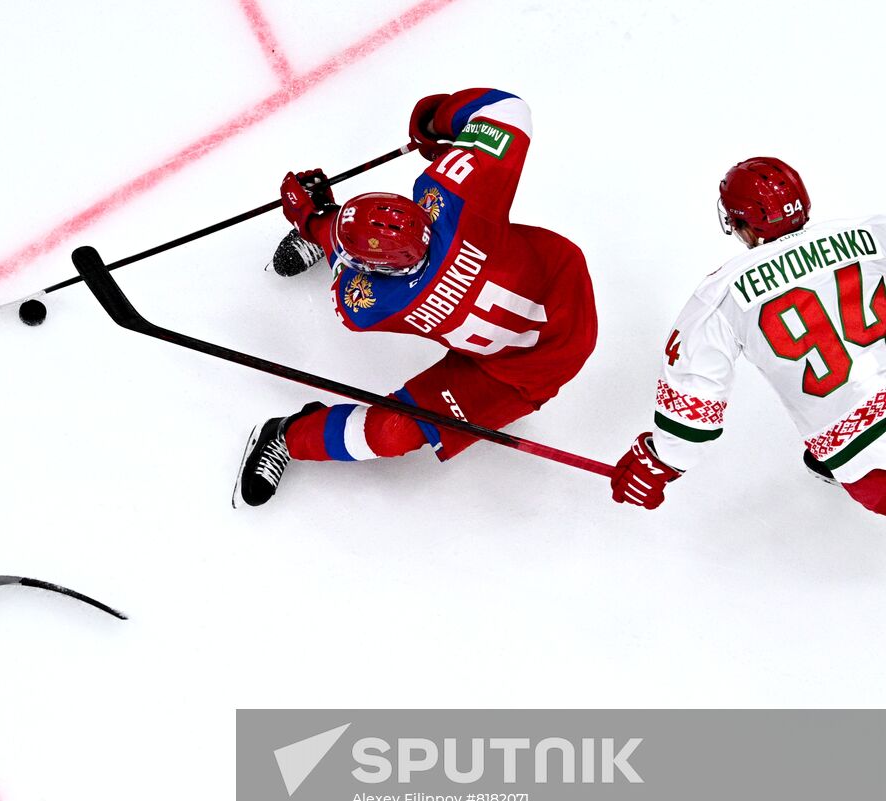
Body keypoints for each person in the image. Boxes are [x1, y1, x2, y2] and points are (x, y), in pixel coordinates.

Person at [235, 88, 597, 507]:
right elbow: (507, 109)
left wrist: (313, 217)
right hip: (558, 280)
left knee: (387, 435)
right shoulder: (451, 192)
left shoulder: (369, 303)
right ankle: (289, 436)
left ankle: (286, 433)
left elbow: (345, 274)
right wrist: (434, 121)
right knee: (393, 433)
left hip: (526, 372)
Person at [610, 158, 886, 513]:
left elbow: (693, 419)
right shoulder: (873, 232)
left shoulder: (719, 294)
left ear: (740, 223)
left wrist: (660, 460)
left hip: (870, 466)